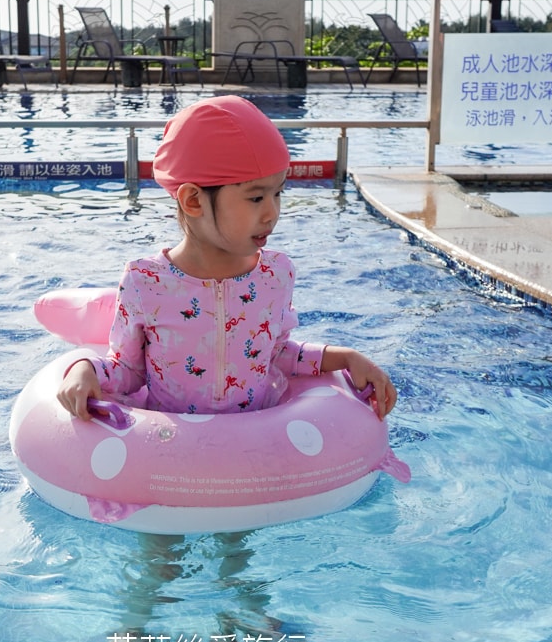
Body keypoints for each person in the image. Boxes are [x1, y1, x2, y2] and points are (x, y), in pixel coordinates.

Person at [58, 94, 396, 421]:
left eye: (278, 193)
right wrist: (84, 368)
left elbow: (275, 355)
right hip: (170, 451)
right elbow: (129, 370)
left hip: (256, 440)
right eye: (255, 198)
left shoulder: (275, 274)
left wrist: (346, 357)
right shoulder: (146, 282)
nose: (272, 213)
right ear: (193, 201)